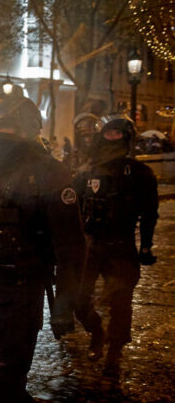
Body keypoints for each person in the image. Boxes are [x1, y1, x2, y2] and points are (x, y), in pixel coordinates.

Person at [0, 94, 85, 402]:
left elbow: (71, 247)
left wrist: (65, 305)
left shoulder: (50, 172)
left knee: (7, 376)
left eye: (6, 128)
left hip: (21, 289)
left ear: (25, 130)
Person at [74, 114, 158, 377]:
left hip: (121, 245)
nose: (112, 139)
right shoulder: (86, 171)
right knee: (78, 299)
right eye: (108, 134)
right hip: (91, 245)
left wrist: (145, 247)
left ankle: (114, 350)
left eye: (117, 134)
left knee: (121, 302)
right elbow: (72, 208)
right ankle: (96, 331)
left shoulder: (142, 174)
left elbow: (149, 214)